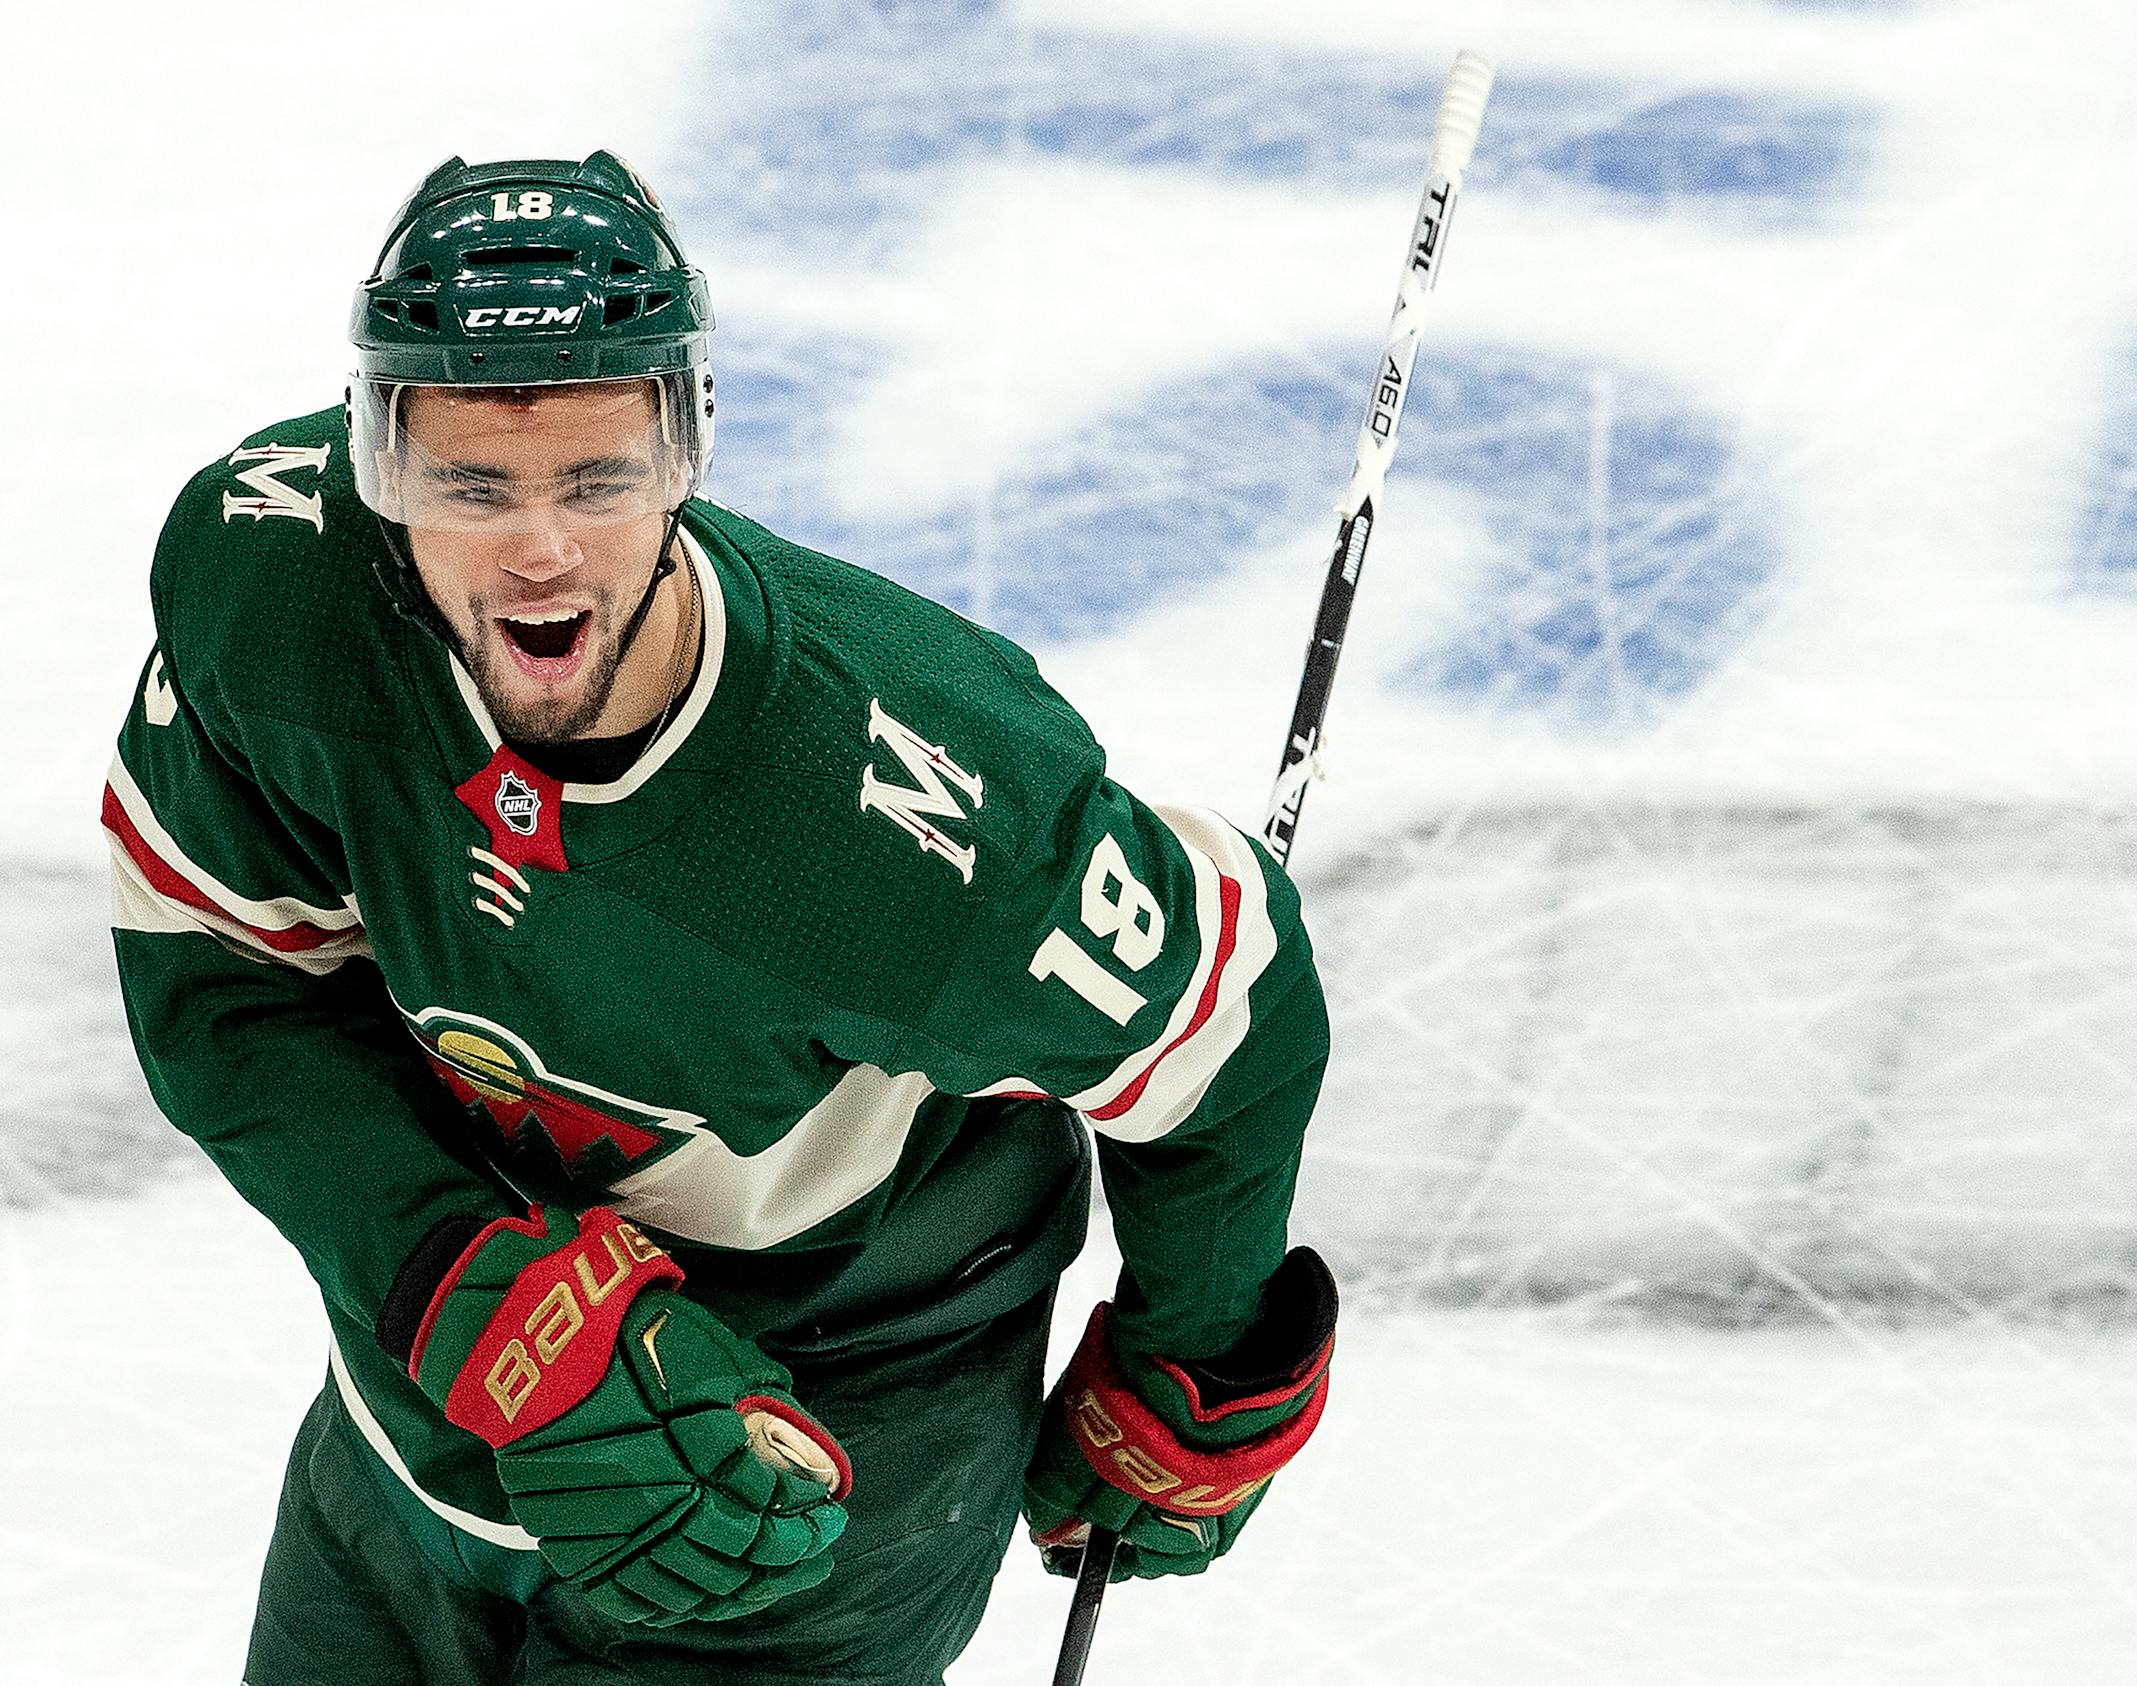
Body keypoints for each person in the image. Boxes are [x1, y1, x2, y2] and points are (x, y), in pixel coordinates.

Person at [105, 150, 1335, 1686]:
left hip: (833, 1468)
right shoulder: (273, 591)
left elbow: (1236, 1021)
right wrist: (452, 1274)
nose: (537, 547)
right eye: (468, 485)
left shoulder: (915, 822)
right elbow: (225, 973)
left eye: (597, 479)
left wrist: (1194, 1355)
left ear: (685, 453)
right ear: (375, 467)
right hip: (427, 1429)